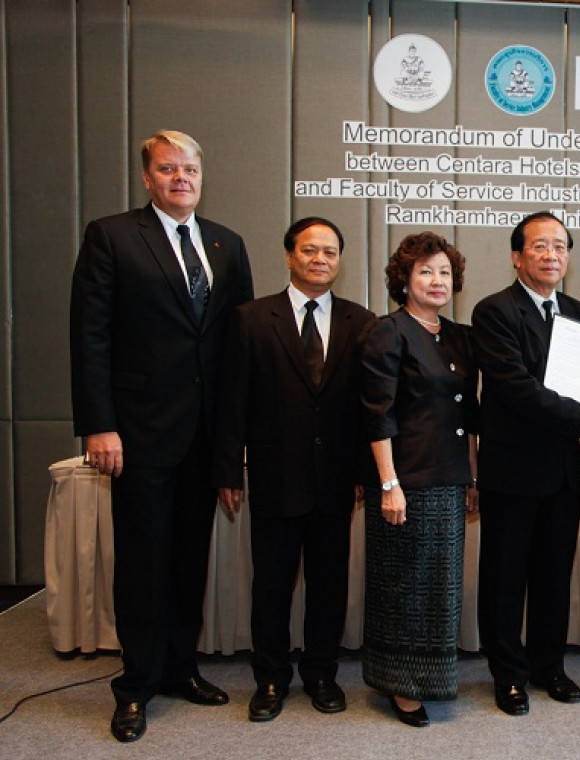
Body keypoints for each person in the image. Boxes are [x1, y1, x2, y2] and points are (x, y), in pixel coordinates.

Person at [69, 130, 254, 742]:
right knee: (144, 564)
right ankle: (135, 685)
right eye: (168, 169)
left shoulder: (227, 245)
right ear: (147, 178)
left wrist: (233, 445)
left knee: (187, 562)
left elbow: (238, 351)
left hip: (204, 437)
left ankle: (180, 669)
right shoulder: (113, 236)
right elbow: (90, 336)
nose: (181, 178)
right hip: (139, 434)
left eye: (190, 169)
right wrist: (100, 423)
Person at [212, 217, 372, 722]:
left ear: (339, 261)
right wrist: (226, 471)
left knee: (329, 584)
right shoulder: (252, 319)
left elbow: (370, 408)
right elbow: (231, 402)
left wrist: (368, 474)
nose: (320, 259)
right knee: (272, 585)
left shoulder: (360, 321)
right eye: (309, 250)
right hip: (275, 473)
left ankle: (322, 674)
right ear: (289, 256)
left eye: (329, 251)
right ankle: (271, 678)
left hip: (336, 479)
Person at [472, 211, 580, 716]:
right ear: (517, 256)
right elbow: (516, 389)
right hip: (511, 471)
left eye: (560, 246)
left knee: (554, 573)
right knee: (505, 578)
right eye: (539, 246)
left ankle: (548, 666)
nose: (551, 255)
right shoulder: (494, 312)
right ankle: (508, 673)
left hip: (561, 470)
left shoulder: (578, 310)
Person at [359, 232, 479, 728]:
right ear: (403, 279)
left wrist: (472, 475)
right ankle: (400, 685)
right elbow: (377, 414)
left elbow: (467, 412)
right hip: (405, 484)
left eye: (444, 272)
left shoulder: (457, 336)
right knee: (403, 588)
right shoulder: (388, 332)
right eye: (425, 271)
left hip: (449, 480)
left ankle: (431, 678)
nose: (437, 281)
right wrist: (387, 484)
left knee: (441, 588)